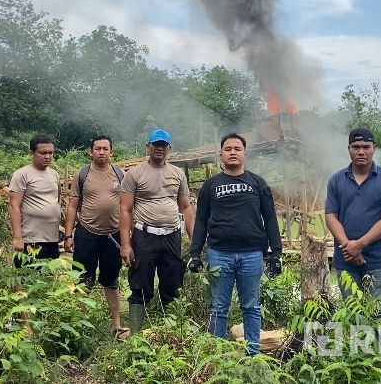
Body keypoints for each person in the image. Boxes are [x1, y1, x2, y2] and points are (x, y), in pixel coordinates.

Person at [188, 133, 283, 356]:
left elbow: (270, 218)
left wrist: (276, 253)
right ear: (220, 154)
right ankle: (218, 355)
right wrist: (195, 253)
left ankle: (253, 355)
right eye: (228, 148)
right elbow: (200, 221)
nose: (232, 152)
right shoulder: (210, 185)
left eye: (237, 148)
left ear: (245, 154)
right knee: (218, 307)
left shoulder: (258, 183)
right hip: (218, 253)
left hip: (252, 255)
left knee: (251, 306)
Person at [119, 128, 195, 334]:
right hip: (144, 236)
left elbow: (185, 207)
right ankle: (135, 336)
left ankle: (169, 334)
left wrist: (194, 241)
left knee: (171, 284)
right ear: (148, 147)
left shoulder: (177, 174)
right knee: (140, 284)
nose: (159, 148)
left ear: (169, 148)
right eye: (155, 144)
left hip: (171, 236)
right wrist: (125, 244)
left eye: (164, 145)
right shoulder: (134, 173)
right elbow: (125, 209)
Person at [325, 127, 381, 310]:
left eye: (366, 146)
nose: (361, 151)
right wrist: (349, 247)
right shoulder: (336, 180)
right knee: (354, 314)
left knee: (380, 314)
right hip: (346, 260)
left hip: (378, 261)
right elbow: (331, 217)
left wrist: (359, 245)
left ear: (374, 148)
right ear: (349, 149)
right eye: (356, 146)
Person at [64, 135, 129, 338]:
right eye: (97, 149)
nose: (101, 152)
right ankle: (79, 324)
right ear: (90, 152)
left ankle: (116, 324)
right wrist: (68, 235)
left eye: (105, 149)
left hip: (113, 235)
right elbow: (73, 205)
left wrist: (128, 237)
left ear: (111, 152)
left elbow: (128, 206)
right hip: (87, 233)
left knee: (111, 279)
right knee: (83, 279)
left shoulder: (120, 174)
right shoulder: (82, 174)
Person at [8, 135, 62, 268]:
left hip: (52, 238)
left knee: (48, 281)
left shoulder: (54, 174)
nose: (48, 156)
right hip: (30, 239)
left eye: (50, 153)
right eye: (43, 153)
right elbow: (14, 205)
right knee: (27, 280)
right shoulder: (22, 175)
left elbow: (57, 201)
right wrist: (18, 237)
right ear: (31, 153)